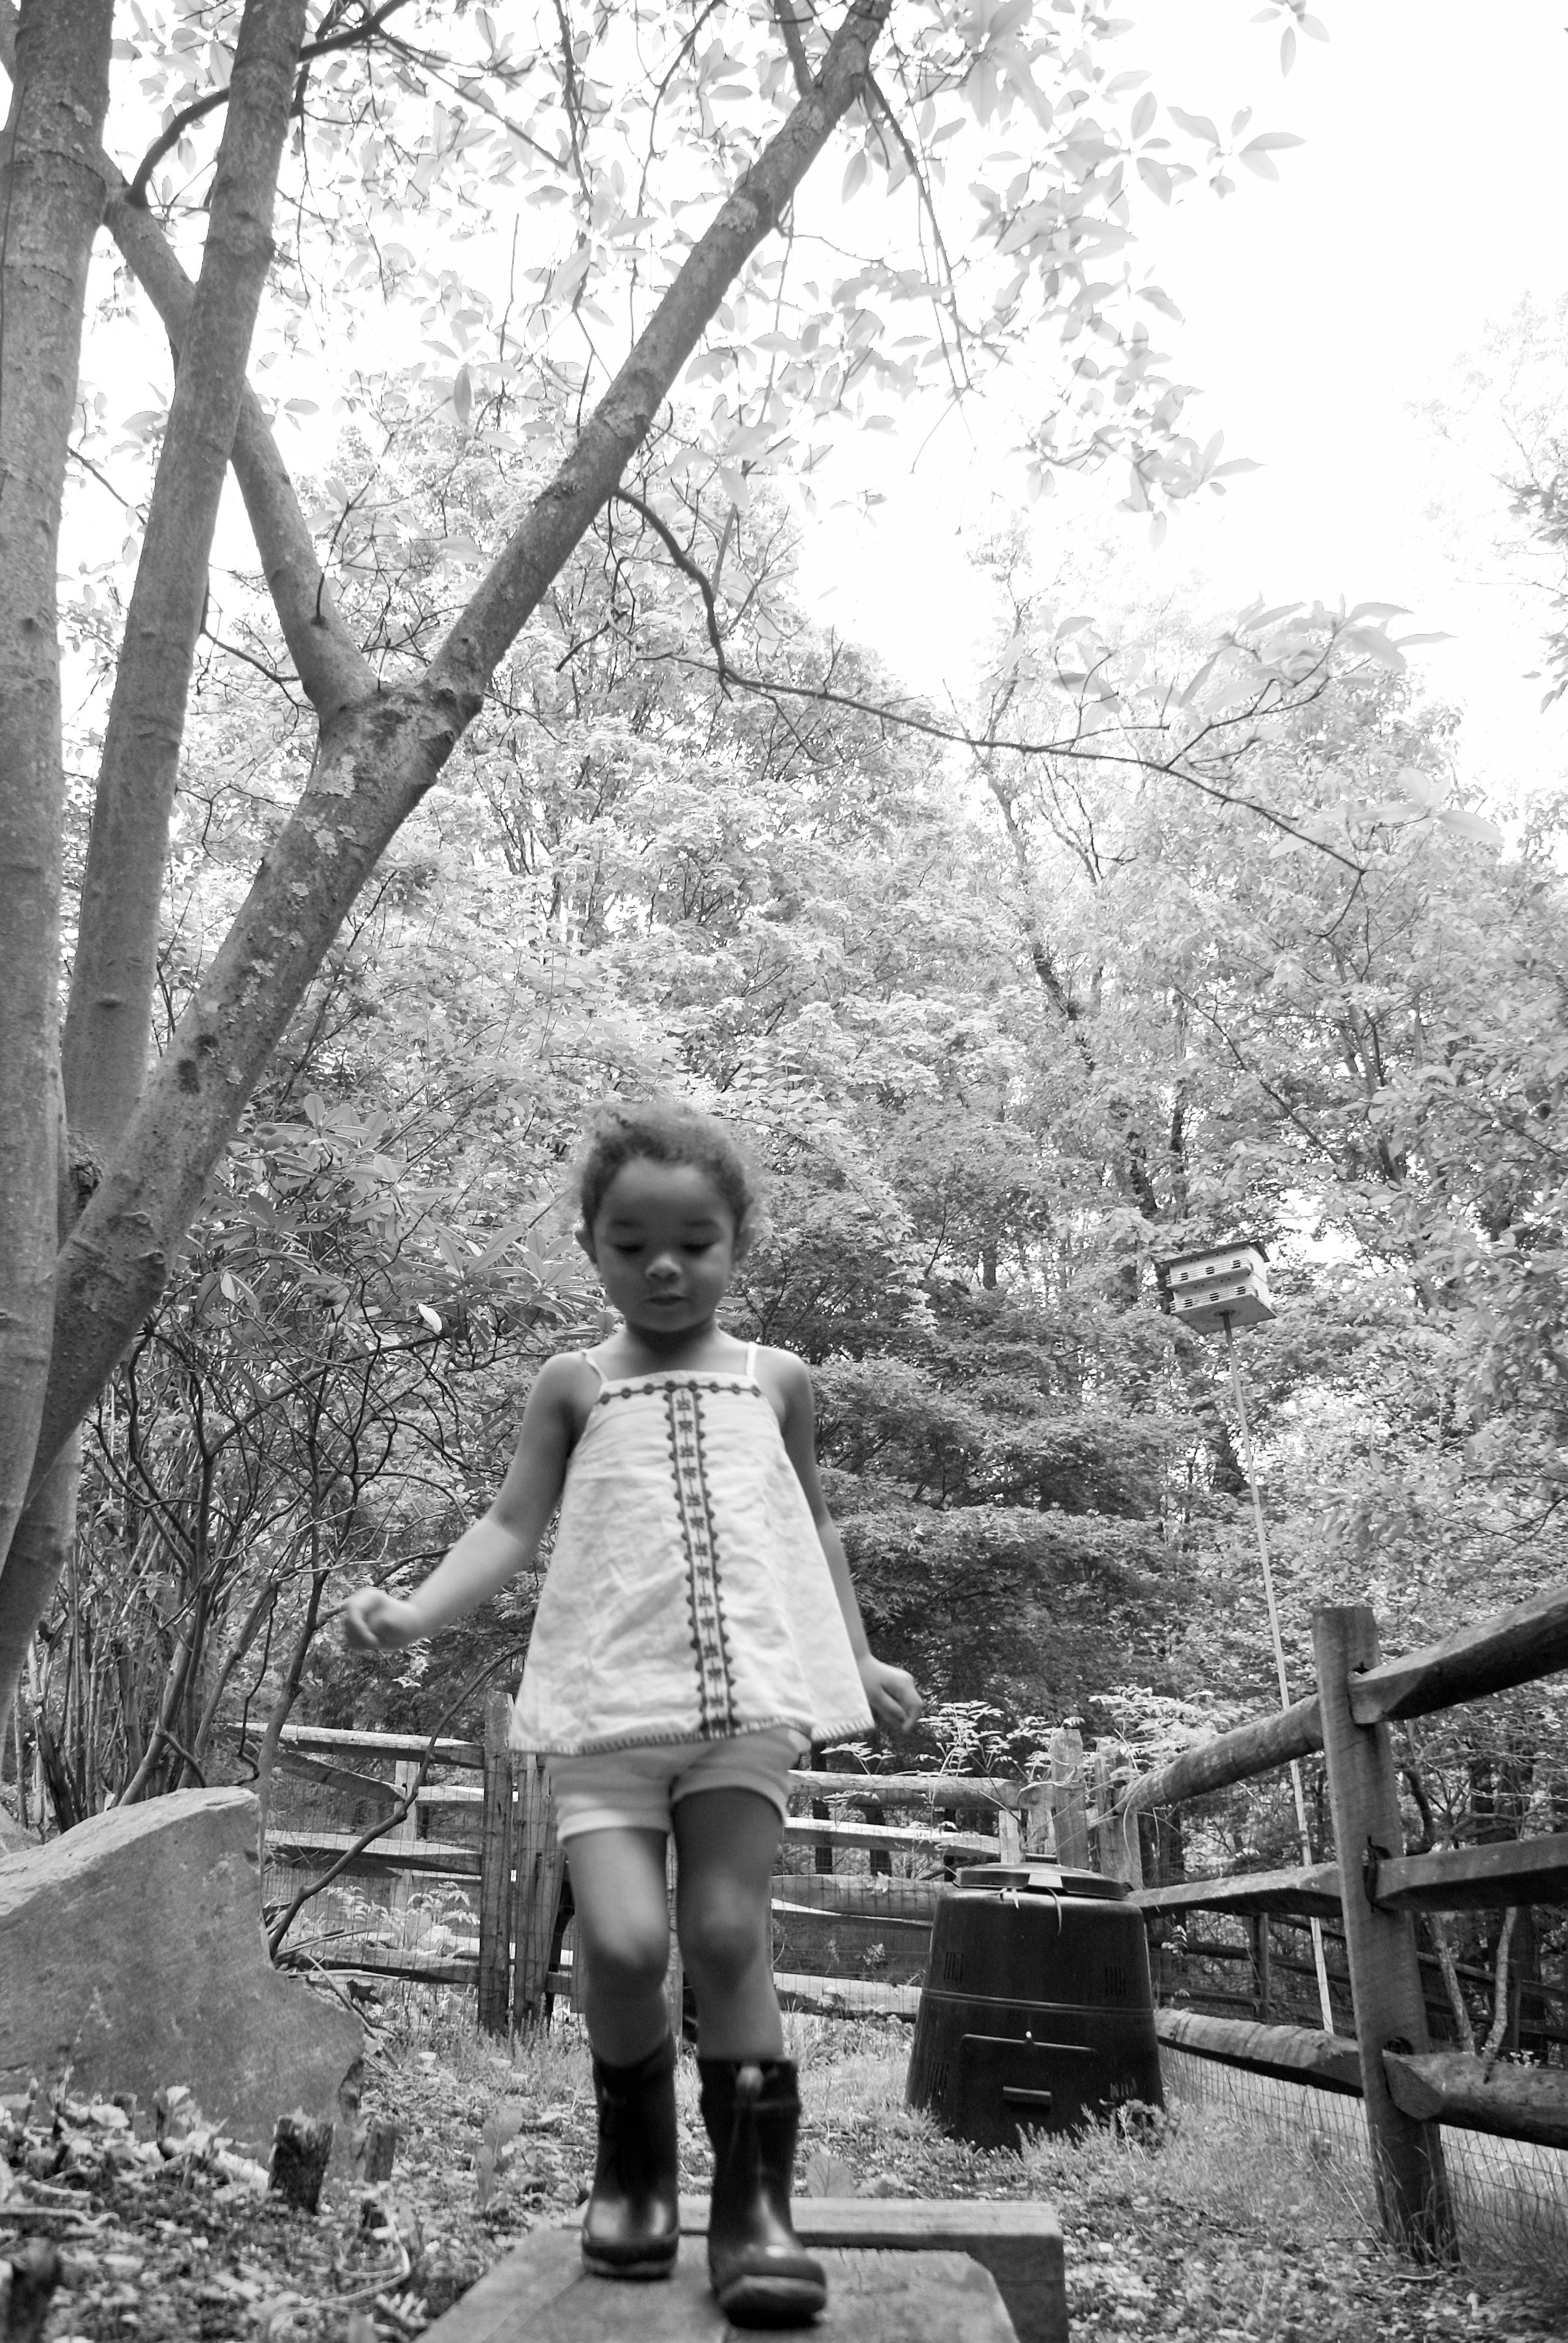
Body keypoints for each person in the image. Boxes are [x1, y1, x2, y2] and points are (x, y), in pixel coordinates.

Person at [343, 1099, 922, 2326]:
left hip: (746, 1712)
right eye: (633, 1243)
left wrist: (856, 1658)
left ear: (737, 1245)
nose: (665, 1266)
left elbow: (811, 1526)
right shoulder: (576, 1384)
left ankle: (756, 2210)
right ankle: (635, 2174)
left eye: (694, 1243)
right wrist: (414, 1612)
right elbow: (511, 1523)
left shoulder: (776, 1381)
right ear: (591, 1248)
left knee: (724, 1934)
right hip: (607, 1711)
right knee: (617, 1943)